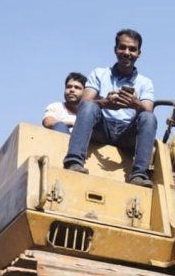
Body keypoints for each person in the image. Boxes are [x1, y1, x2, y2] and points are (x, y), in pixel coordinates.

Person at [63, 29, 157, 187]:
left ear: (139, 53)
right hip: (102, 128)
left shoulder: (145, 82)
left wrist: (135, 104)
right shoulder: (99, 73)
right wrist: (105, 103)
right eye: (123, 47)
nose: (127, 52)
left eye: (132, 49)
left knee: (149, 117)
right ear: (115, 50)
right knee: (88, 106)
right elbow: (84, 102)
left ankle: (139, 174)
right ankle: (74, 161)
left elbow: (148, 109)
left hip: (128, 134)